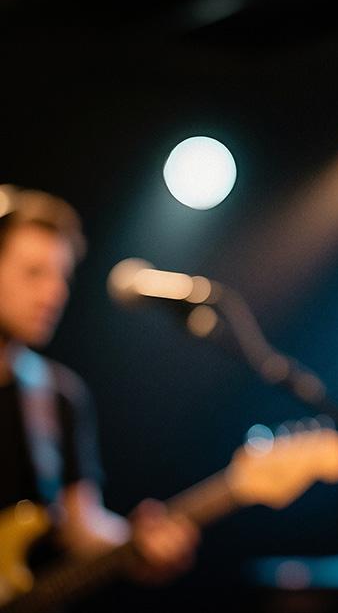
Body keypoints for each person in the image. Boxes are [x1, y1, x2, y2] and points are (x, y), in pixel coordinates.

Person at [0, 184, 199, 604]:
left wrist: (135, 544)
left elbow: (80, 525)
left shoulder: (54, 397)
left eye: (62, 276)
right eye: (35, 272)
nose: (55, 293)